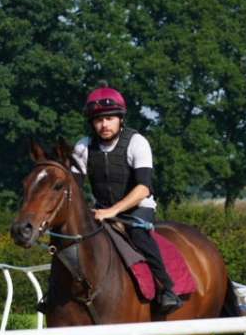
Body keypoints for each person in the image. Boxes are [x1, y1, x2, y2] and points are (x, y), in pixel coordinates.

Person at [39, 87, 183, 314]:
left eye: (109, 118)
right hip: (101, 210)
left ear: (120, 119)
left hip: (137, 209)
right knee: (70, 238)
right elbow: (74, 187)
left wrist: (112, 211)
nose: (104, 125)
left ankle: (166, 289)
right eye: (98, 120)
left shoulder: (137, 142)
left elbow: (143, 188)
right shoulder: (84, 146)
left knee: (139, 236)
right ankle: (55, 292)